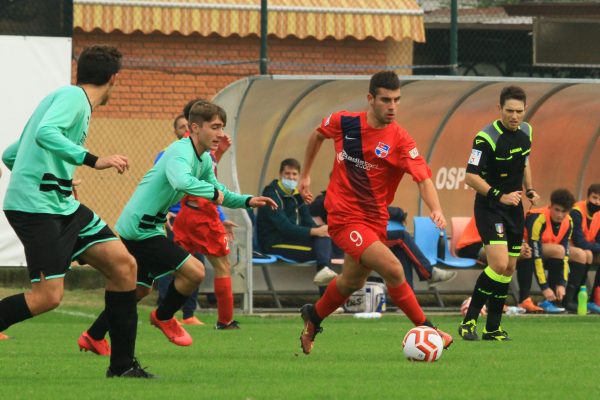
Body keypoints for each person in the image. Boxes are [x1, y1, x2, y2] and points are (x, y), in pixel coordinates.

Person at [1, 45, 151, 378]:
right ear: (114, 78)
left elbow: (13, 153)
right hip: (37, 209)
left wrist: (57, 178)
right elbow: (44, 134)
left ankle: (123, 367)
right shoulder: (73, 99)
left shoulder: (67, 99)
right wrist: (94, 160)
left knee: (124, 266)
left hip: (61, 206)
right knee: (47, 297)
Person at [78, 101, 277, 351]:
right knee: (194, 272)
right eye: (215, 127)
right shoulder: (179, 152)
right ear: (195, 127)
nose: (221, 134)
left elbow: (219, 190)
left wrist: (248, 200)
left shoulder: (203, 159)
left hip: (150, 228)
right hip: (139, 229)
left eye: (222, 127)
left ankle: (94, 335)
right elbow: (182, 182)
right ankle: (163, 317)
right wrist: (214, 193)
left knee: (137, 291)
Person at [296, 70, 453, 355]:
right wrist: (305, 175)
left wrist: (437, 209)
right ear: (371, 99)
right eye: (385, 100)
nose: (392, 106)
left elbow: (423, 179)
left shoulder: (401, 141)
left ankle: (313, 316)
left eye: (397, 100)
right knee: (393, 269)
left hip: (374, 220)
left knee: (352, 281)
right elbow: (316, 136)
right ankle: (429, 329)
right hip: (344, 217)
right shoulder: (344, 122)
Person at [459, 85, 540, 341]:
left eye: (519, 111)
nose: (514, 116)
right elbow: (470, 176)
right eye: (509, 111)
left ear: (525, 110)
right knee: (499, 264)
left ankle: (492, 328)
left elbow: (524, 161)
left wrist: (530, 190)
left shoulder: (526, 131)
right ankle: (469, 321)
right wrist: (499, 195)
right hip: (490, 207)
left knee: (509, 268)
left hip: (514, 208)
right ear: (499, 109)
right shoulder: (486, 138)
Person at [310, 191, 457, 287]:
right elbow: (312, 208)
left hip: (365, 237)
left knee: (400, 245)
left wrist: (399, 213)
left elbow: (378, 209)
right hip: (351, 241)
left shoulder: (356, 194)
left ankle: (410, 293)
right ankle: (428, 273)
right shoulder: (328, 199)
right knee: (401, 237)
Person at [172, 132, 242, 329]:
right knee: (222, 265)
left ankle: (166, 314)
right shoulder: (194, 145)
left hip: (186, 214)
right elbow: (206, 185)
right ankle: (225, 320)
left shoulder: (191, 147)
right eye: (216, 126)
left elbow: (204, 174)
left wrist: (218, 153)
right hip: (202, 216)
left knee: (181, 269)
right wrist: (218, 218)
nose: (220, 132)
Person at [257, 158, 337, 293]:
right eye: (287, 174)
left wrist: (321, 230)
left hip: (292, 239)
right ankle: (326, 297)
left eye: (294, 174)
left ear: (299, 176)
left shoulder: (298, 195)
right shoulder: (271, 194)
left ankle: (324, 273)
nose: (291, 178)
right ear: (280, 175)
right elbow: (285, 228)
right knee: (322, 252)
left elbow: (308, 223)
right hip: (274, 242)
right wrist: (315, 231)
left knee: (323, 238)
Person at [154, 112, 204, 326]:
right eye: (181, 126)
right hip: (174, 219)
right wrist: (163, 213)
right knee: (169, 266)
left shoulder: (202, 159)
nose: (186, 129)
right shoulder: (166, 155)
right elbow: (157, 186)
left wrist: (219, 218)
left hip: (196, 220)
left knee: (197, 265)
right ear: (176, 131)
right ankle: (167, 312)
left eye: (188, 126)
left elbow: (209, 190)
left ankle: (189, 314)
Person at [517, 189, 576, 313]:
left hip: (542, 253)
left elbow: (566, 254)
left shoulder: (569, 222)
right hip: (522, 251)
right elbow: (536, 253)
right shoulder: (537, 218)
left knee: (561, 254)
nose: (560, 215)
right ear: (550, 206)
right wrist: (545, 287)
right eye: (557, 210)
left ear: (569, 211)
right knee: (532, 252)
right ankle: (524, 299)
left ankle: (552, 300)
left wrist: (562, 283)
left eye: (564, 211)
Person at [569, 183, 600, 313]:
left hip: (588, 250)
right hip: (568, 247)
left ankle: (595, 299)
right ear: (587, 197)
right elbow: (579, 241)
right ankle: (571, 299)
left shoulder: (598, 214)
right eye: (594, 198)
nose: (597, 202)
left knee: (588, 253)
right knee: (585, 253)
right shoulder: (576, 211)